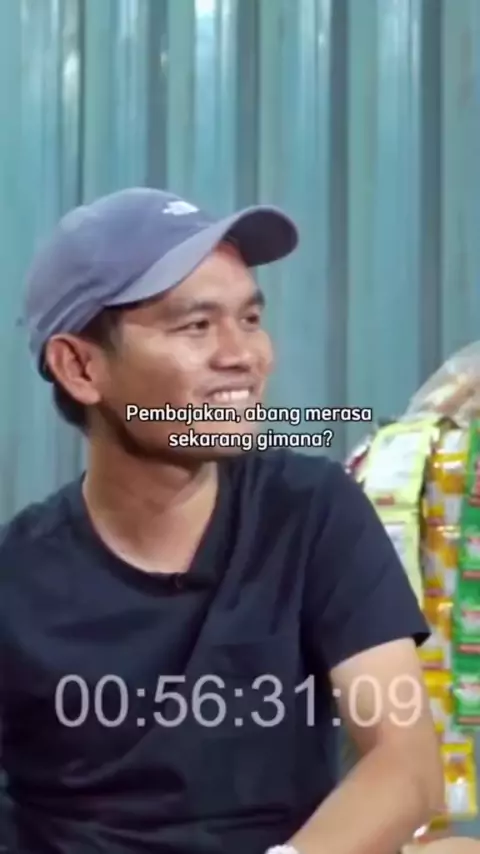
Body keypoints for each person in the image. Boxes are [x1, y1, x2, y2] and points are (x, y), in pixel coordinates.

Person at [0, 187, 443, 854]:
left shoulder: (308, 510)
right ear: (81, 366)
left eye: (250, 319)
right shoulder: (17, 579)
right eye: (195, 326)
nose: (243, 356)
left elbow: (404, 763)